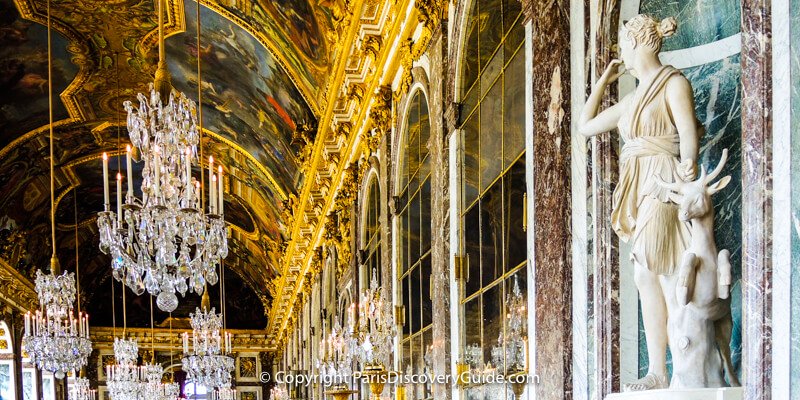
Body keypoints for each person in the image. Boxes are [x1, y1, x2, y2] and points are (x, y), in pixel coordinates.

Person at [578, 15, 702, 391]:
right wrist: (602, 82)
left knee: (655, 268)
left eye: (624, 44)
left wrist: (687, 170)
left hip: (663, 179)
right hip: (638, 182)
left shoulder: (674, 83)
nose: (622, 53)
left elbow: (687, 133)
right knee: (647, 272)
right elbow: (585, 126)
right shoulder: (631, 99)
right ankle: (665, 367)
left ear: (640, 42)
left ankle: (673, 364)